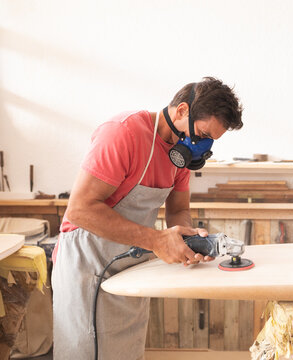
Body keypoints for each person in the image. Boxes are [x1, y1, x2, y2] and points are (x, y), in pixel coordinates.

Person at [51, 77, 243, 359]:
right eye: (201, 135)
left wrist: (187, 240)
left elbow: (178, 209)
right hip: (86, 265)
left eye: (210, 141)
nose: (202, 146)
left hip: (129, 263)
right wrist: (157, 240)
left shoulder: (180, 155)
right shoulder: (122, 134)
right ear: (181, 111)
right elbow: (80, 209)